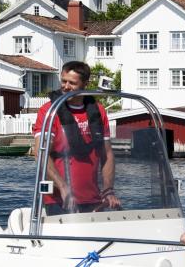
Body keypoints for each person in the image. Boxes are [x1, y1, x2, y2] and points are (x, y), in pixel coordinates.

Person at [31, 61, 120, 215]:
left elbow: (107, 154)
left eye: (72, 83)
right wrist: (63, 187)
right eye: (63, 81)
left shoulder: (97, 111)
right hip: (59, 200)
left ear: (85, 84)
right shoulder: (49, 111)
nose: (66, 87)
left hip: (93, 198)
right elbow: (41, 153)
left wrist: (108, 190)